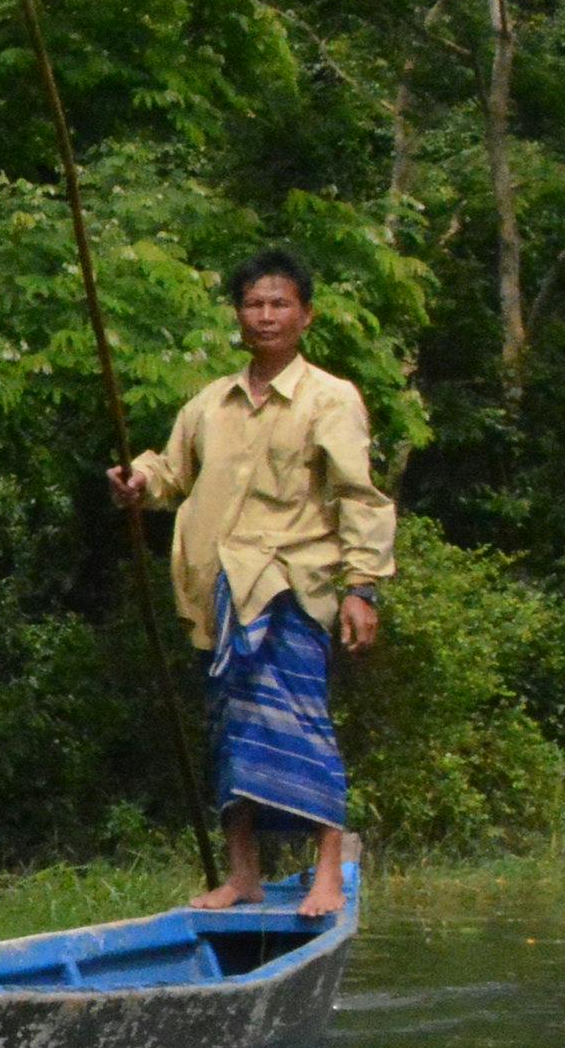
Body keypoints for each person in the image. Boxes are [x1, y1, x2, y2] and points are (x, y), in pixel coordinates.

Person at [107, 248, 395, 917]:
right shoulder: (211, 403)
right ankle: (244, 873)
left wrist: (364, 587)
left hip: (291, 587)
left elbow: (361, 496)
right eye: (254, 304)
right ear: (238, 315)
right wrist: (137, 481)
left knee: (302, 725)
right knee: (232, 732)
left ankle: (326, 871)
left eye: (280, 303)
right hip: (221, 597)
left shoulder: (330, 397)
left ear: (305, 315)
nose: (266, 315)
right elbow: (167, 470)